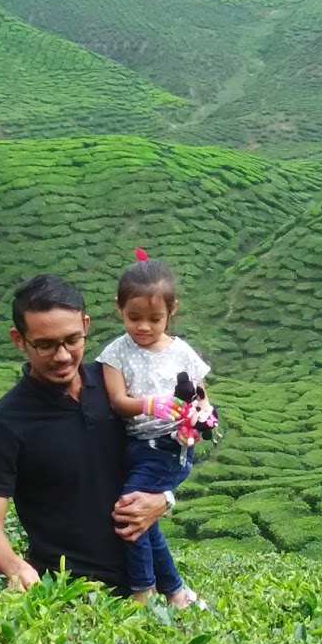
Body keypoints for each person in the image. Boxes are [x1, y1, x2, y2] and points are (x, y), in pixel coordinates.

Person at [0, 274, 175, 598]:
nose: (63, 355)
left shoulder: (115, 386)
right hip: (70, 595)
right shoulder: (5, 423)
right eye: (46, 345)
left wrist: (164, 500)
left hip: (149, 583)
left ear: (86, 324)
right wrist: (16, 566)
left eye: (72, 340)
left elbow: (165, 449)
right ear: (18, 339)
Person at [96, 252, 209, 608]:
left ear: (171, 311)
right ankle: (176, 593)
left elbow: (201, 396)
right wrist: (150, 404)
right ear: (118, 308)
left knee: (130, 510)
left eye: (154, 319)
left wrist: (203, 414)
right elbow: (117, 400)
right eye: (134, 318)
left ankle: (142, 592)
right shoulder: (115, 353)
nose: (143, 327)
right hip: (135, 445)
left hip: (168, 446)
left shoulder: (182, 353)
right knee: (145, 519)